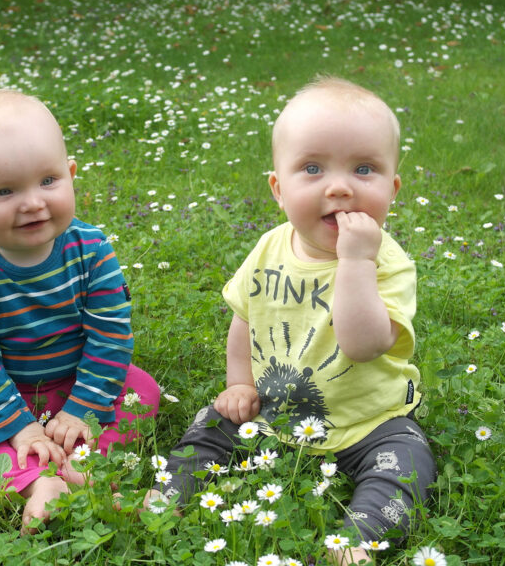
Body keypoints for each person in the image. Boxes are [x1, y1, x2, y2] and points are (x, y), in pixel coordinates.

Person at [148, 77, 436, 565]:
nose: (340, 186)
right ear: (279, 190)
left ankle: (357, 540)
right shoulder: (269, 247)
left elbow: (363, 344)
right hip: (273, 413)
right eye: (312, 168)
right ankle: (165, 497)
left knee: (407, 464)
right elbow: (245, 318)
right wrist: (240, 384)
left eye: (364, 169)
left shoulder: (388, 264)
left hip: (370, 422)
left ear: (393, 189)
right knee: (209, 426)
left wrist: (356, 262)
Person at [0, 89, 160, 533]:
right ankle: (38, 482)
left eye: (48, 181)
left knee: (141, 388)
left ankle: (85, 464)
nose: (33, 202)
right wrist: (19, 426)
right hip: (6, 388)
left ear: (71, 175)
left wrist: (82, 409)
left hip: (78, 379)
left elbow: (110, 336)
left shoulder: (92, 250)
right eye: (4, 190)